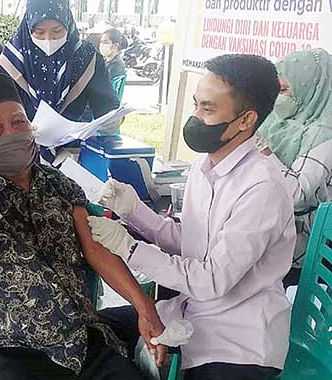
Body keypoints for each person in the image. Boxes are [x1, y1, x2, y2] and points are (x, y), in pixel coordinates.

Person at [0, 73, 166, 380]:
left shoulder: (59, 183)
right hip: (13, 348)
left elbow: (95, 249)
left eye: (19, 122)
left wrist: (143, 306)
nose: (12, 133)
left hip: (82, 337)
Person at [90, 54, 296, 380]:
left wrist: (130, 249)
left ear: (246, 120)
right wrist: (133, 211)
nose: (196, 117)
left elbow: (212, 280)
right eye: (196, 105)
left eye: (208, 109)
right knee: (89, 330)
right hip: (192, 313)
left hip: (238, 341)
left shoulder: (262, 188)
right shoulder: (205, 166)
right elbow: (192, 242)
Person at [258, 48, 332, 288]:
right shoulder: (280, 120)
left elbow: (295, 194)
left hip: (303, 253)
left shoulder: (324, 134)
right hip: (271, 237)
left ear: (310, 90)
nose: (277, 98)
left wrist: (263, 151)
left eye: (284, 90)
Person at [0, 0, 119, 123]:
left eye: (57, 30)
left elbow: (107, 107)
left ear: (68, 24)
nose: (48, 39)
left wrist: (113, 120)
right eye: (39, 32)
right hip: (20, 136)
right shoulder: (11, 60)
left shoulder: (86, 57)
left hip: (74, 136)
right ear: (28, 27)